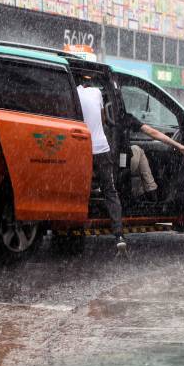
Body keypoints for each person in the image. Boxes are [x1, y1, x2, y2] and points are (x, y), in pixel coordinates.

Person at [76, 84, 127, 254]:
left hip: (82, 147)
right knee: (110, 191)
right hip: (102, 148)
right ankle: (119, 235)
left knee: (80, 189)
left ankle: (75, 228)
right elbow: (104, 120)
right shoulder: (97, 92)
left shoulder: (72, 93)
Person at [127, 115, 184, 202]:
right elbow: (152, 133)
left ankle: (142, 194)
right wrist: (179, 146)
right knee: (137, 149)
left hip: (109, 160)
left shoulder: (107, 119)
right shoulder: (125, 117)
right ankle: (151, 192)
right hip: (121, 160)